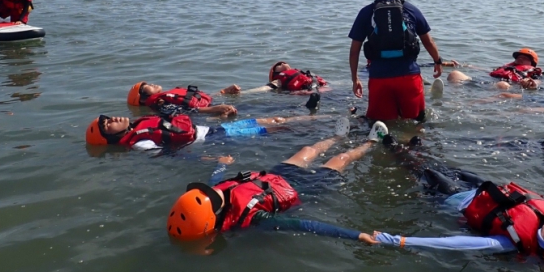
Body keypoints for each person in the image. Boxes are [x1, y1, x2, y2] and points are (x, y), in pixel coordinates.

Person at [372, 142, 544, 272]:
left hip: (456, 199)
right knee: (442, 165)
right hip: (485, 188)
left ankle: (390, 145)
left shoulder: (511, 243)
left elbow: (455, 243)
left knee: (423, 171)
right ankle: (415, 146)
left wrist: (399, 241)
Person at [165, 120, 389, 242]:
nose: (217, 194)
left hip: (275, 176)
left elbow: (216, 181)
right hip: (299, 189)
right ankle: (371, 142)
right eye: (215, 199)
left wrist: (221, 164)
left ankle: (338, 137)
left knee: (307, 150)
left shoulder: (214, 196)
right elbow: (308, 226)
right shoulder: (256, 219)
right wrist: (356, 235)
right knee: (340, 159)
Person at [348, 0, 444, 122]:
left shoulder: (366, 12)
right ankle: (413, 145)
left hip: (379, 79)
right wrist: (437, 61)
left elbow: (354, 51)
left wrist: (355, 79)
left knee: (381, 126)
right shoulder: (411, 10)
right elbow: (428, 41)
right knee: (415, 124)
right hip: (409, 77)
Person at [85, 111, 330, 151]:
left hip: (213, 128)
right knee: (274, 129)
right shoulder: (139, 143)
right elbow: (171, 154)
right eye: (107, 125)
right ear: (111, 137)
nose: (112, 119)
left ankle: (320, 118)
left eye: (108, 117)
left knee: (275, 118)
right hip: (214, 138)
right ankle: (318, 128)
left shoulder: (139, 124)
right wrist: (205, 157)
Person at [447, 48, 542, 90]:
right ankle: (456, 98)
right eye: (519, 57)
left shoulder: (534, 73)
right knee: (455, 74)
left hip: (508, 86)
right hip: (485, 82)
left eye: (525, 58)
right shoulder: (507, 67)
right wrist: (462, 66)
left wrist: (532, 83)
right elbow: (488, 71)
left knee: (502, 84)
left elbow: (538, 81)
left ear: (532, 64)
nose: (520, 58)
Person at [127, 82, 238, 116]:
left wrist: (224, 91)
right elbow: (187, 110)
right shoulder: (161, 106)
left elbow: (198, 99)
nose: (152, 84)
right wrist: (216, 109)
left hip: (214, 107)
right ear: (142, 99)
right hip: (208, 114)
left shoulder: (167, 98)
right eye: (147, 86)